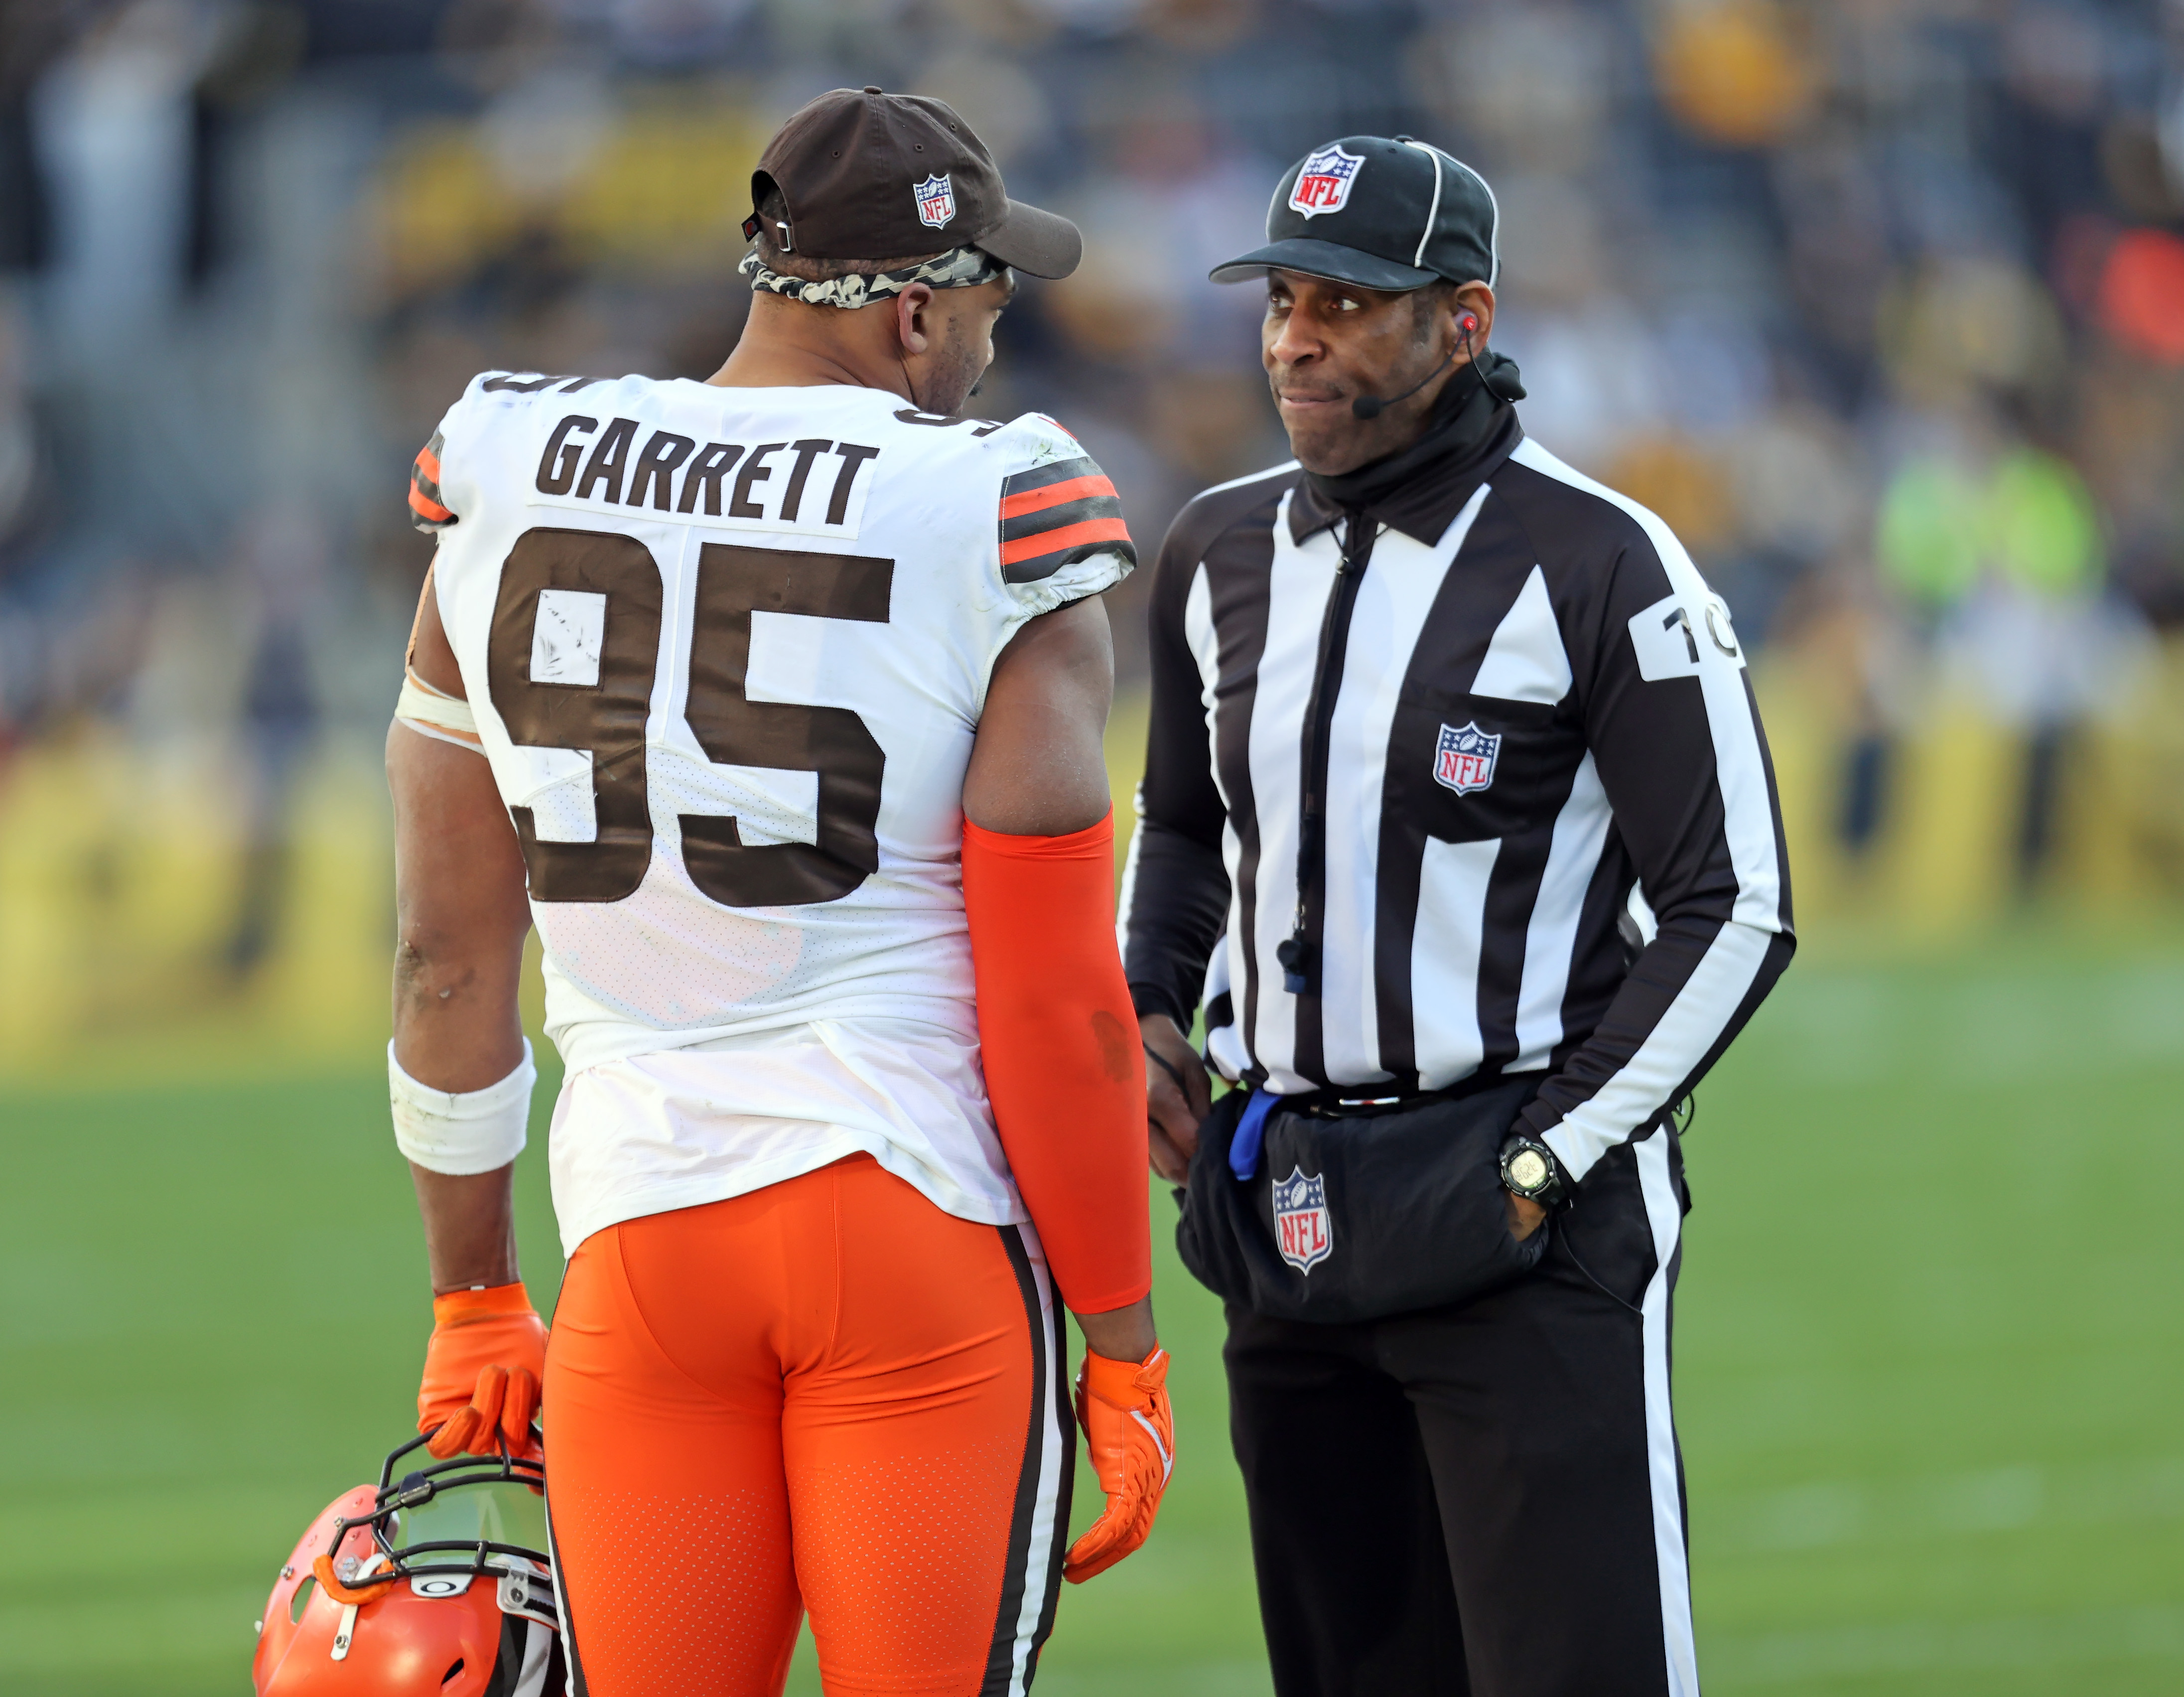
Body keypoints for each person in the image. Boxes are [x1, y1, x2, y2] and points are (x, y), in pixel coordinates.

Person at [385, 87, 1175, 1697]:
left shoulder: (509, 461)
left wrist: (474, 1292)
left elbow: (445, 962)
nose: (993, 344)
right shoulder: (996, 500)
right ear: (909, 310)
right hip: (907, 1221)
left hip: (640, 1248)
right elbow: (1053, 1004)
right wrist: (1125, 1336)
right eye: (984, 302)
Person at [1123, 136, 1793, 1697]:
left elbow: (1737, 902)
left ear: (1465, 321)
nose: (1296, 336)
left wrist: (1552, 1153)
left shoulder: (1603, 559)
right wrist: (1149, 998)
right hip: (1283, 1207)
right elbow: (1180, 825)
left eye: (1349, 304)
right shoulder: (1214, 550)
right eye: (1283, 297)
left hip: (1517, 1211)